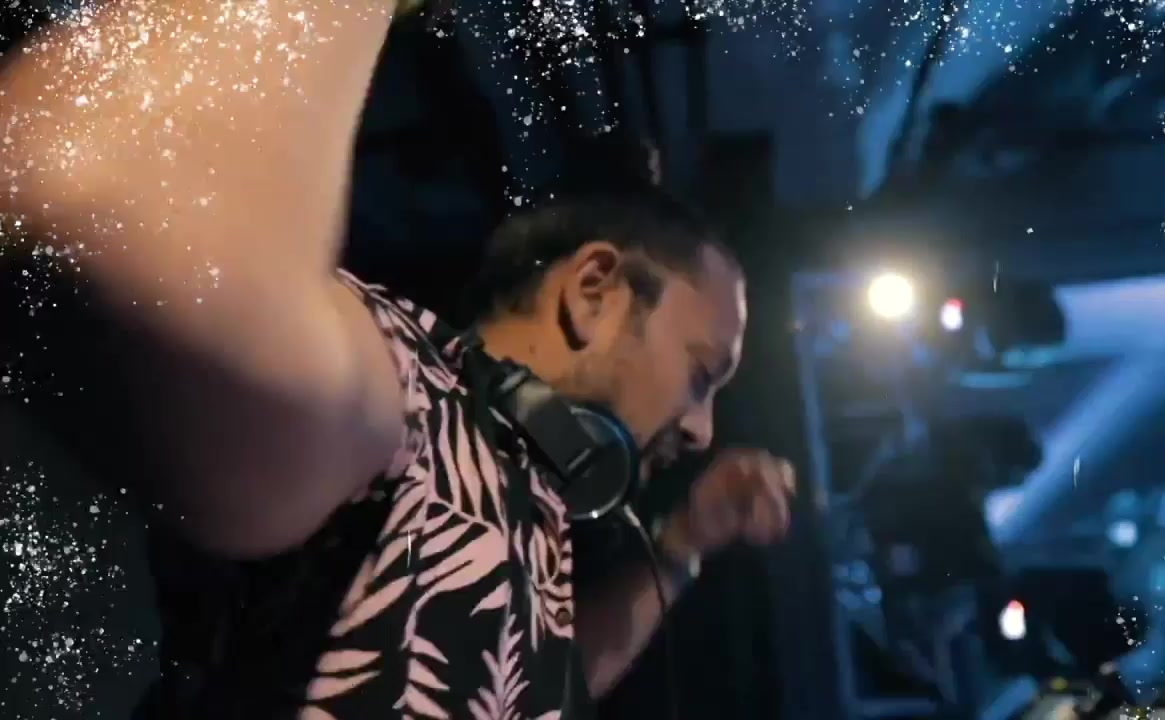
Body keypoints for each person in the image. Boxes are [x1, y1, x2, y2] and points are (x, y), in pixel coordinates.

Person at [0, 2, 795, 718]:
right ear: (593, 293)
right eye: (701, 374)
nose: (702, 430)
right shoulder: (417, 393)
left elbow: (544, 682)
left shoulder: (520, 504)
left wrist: (684, 543)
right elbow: (102, 197)